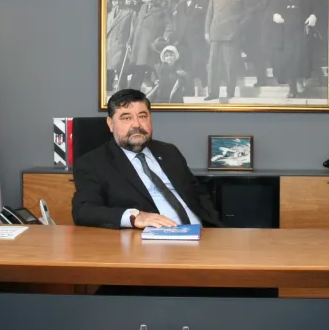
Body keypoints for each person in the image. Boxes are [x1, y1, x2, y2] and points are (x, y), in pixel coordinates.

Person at [71, 88, 221, 229]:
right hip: (154, 240)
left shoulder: (169, 152)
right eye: (126, 118)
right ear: (111, 124)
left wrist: (215, 225)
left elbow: (198, 194)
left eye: (142, 116)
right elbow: (83, 210)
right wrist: (134, 217)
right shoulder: (93, 163)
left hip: (204, 234)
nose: (136, 124)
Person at [204, 0, 245, 101]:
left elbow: (245, 15)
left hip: (231, 35)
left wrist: (237, 29)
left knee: (230, 64)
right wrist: (207, 32)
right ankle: (212, 92)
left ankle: (230, 92)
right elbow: (209, 14)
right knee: (213, 64)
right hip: (216, 33)